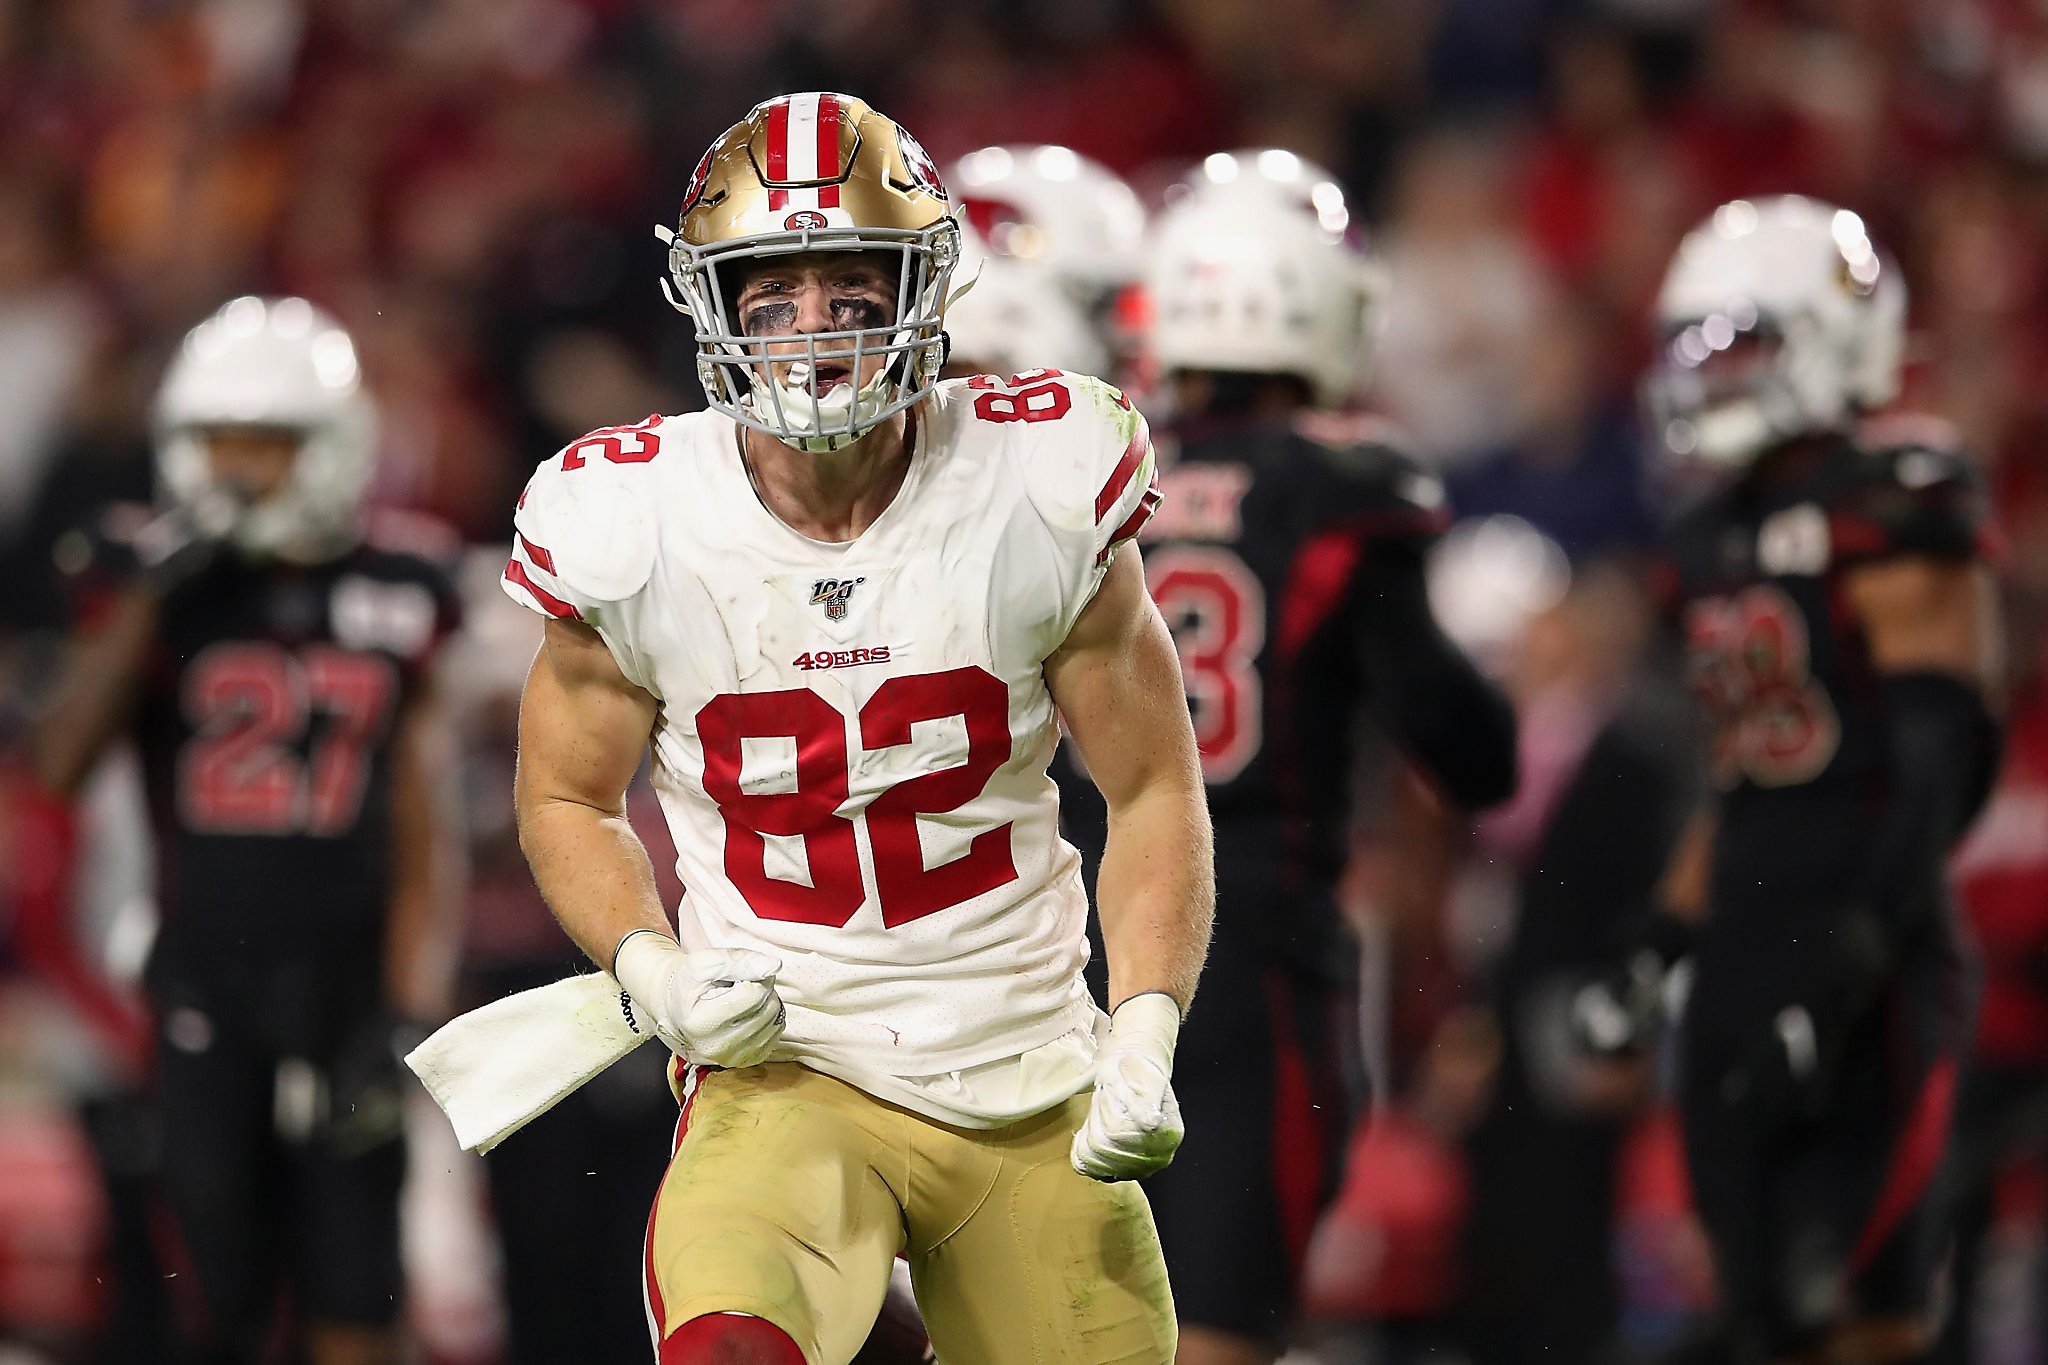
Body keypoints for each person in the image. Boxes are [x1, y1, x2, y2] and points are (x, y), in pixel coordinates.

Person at [502, 92, 1212, 1365]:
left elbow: (1154, 785)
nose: (815, 329)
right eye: (773, 292)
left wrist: (1146, 1023)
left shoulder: (1035, 487)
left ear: (925, 286)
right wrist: (655, 971)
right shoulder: (632, 518)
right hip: (786, 1064)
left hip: (1026, 1072)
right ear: (711, 305)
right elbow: (567, 800)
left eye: (851, 285)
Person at [1051, 184, 1517, 1365]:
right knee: (1214, 1329)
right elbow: (1466, 751)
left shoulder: (1082, 465)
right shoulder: (1342, 483)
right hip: (1245, 932)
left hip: (1062, 930)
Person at [1580, 196, 2003, 1365]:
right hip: (1740, 954)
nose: (1711, 379)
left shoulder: (1894, 496)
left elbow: (1939, 766)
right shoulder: (1712, 530)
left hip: (1869, 948)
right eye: (1695, 350)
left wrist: (1849, 964)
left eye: (1743, 345)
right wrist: (1660, 941)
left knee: (1863, 1321)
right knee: (1756, 1316)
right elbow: (1740, 783)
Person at [32, 295, 465, 1365]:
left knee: (358, 1298)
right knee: (213, 1296)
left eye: (266, 446)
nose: (235, 472)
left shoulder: (399, 581)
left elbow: (421, 820)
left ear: (329, 448)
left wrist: (412, 1004)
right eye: (218, 444)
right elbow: (54, 765)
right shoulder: (146, 581)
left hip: (347, 986)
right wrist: (142, 599)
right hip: (200, 986)